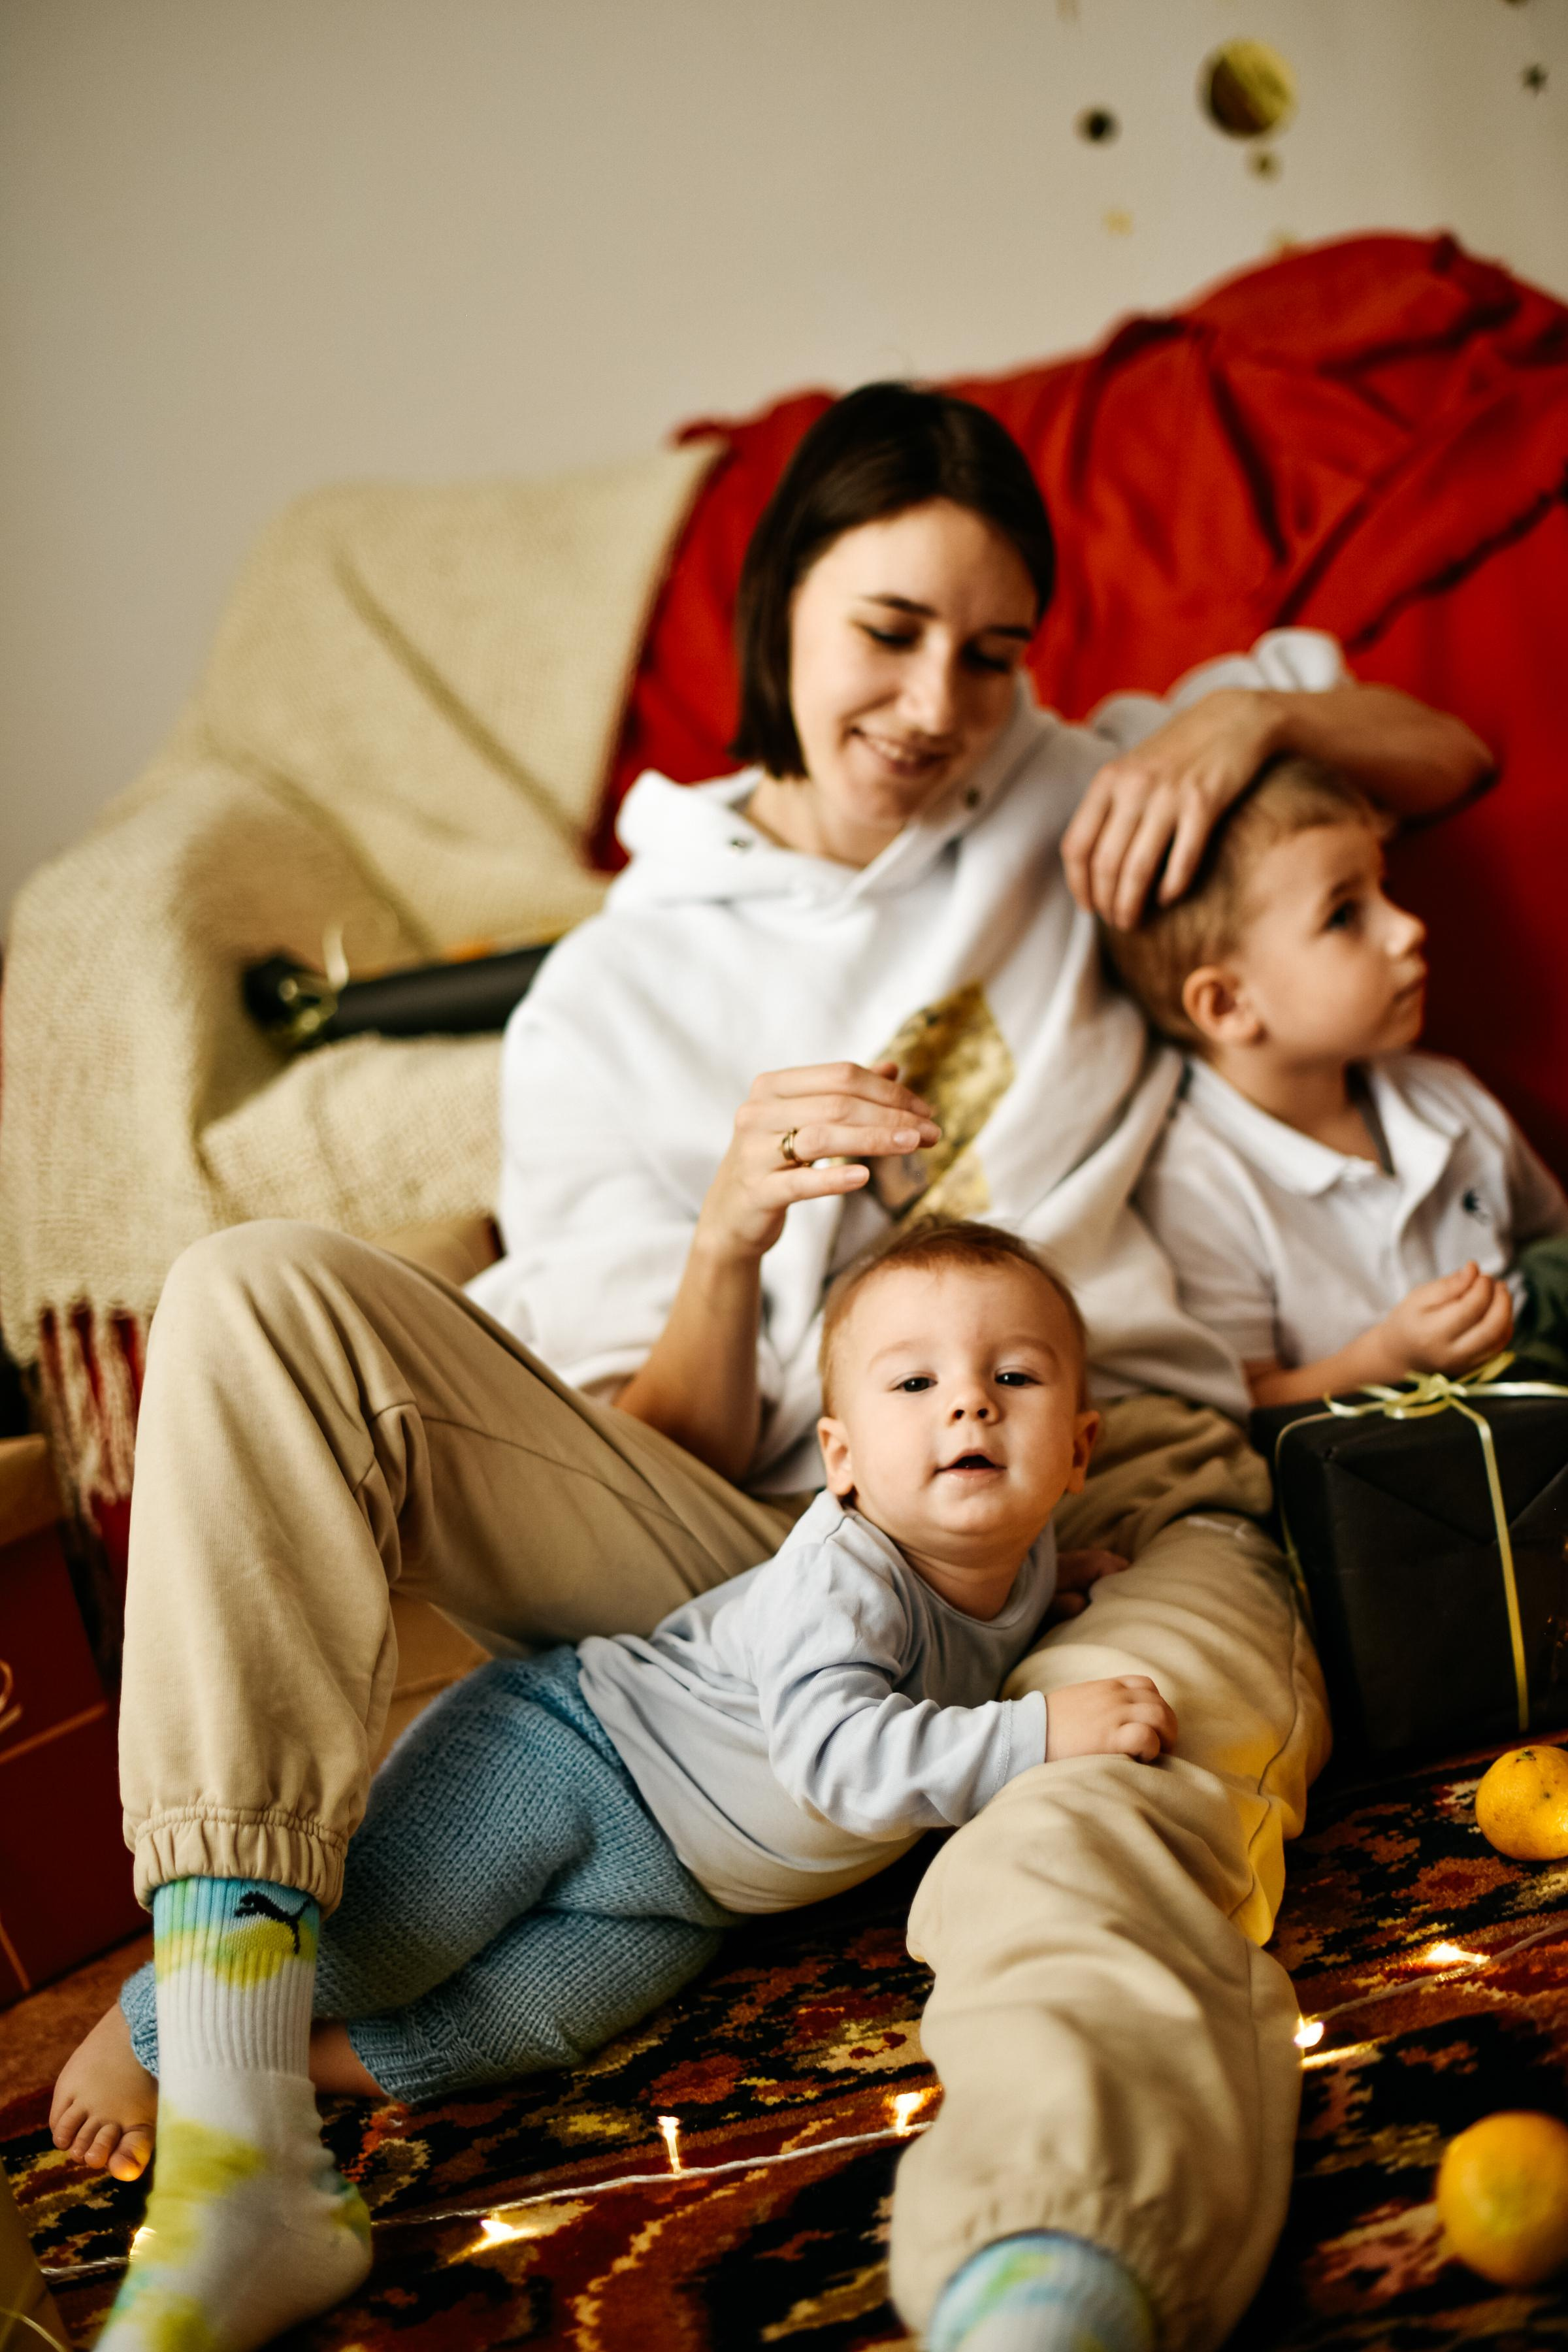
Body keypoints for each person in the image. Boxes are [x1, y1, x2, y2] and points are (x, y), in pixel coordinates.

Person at [54, 382, 1489, 2352]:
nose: (934, 708)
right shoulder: (618, 991)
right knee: (253, 1290)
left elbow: (1446, 753)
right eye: (885, 636)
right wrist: (733, 1228)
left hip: (1110, 1482)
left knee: (1120, 1786)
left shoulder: (1080, 799)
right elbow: (669, 1437)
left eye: (991, 656)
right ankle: (233, 2159)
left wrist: (1245, 719)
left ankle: (1046, 2284)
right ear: (779, 615)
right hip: (750, 1532)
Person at [93, 1221, 1173, 2116]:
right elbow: (838, 1762)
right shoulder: (847, 1577)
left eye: (1015, 1377)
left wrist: (1059, 1576)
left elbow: (995, 1585)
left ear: (1078, 1452)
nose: (969, 1404)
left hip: (689, 1888)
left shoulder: (1017, 1552)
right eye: (917, 1382)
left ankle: (284, 2066)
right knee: (387, 1945)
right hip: (576, 1752)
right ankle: (151, 2025)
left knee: (537, 2020)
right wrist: (1037, 1733)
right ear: (841, 1462)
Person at [1105, 757, 1568, 1409]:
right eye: (1346, 916)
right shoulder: (1196, 1181)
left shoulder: (1446, 1095)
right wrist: (1389, 1356)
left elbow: (1549, 1244)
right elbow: (1249, 1400)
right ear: (1228, 1006)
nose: (1409, 928)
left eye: (1387, 888)